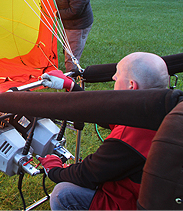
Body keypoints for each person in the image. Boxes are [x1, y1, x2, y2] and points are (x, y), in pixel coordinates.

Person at [39, 52, 170, 210]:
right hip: (155, 194)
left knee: (63, 194)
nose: (113, 77)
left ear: (131, 86)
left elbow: (87, 174)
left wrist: (54, 170)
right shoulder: (163, 108)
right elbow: (106, 114)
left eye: (118, 74)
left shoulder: (127, 139)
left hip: (132, 202)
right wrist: (72, 87)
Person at [42, 0, 93, 73]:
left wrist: (56, 13)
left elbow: (75, 11)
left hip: (78, 25)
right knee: (67, 49)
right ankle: (71, 75)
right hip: (69, 22)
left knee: (71, 54)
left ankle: (72, 80)